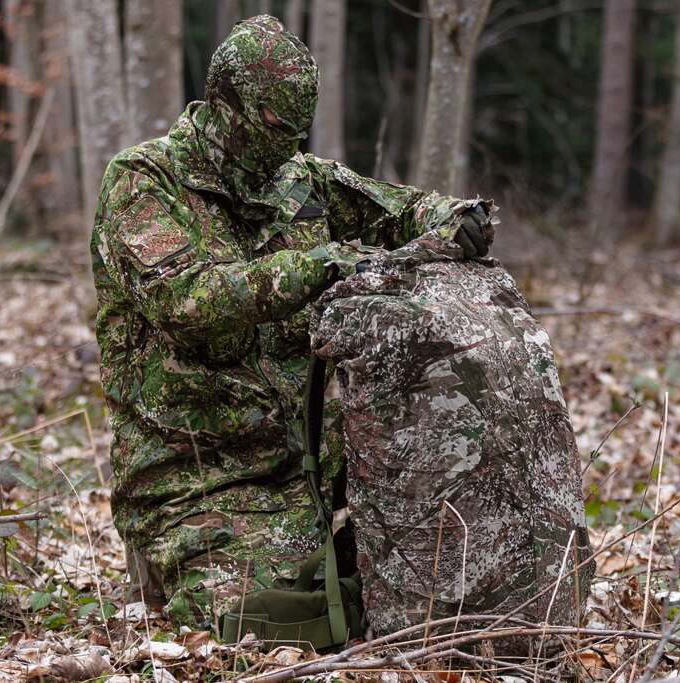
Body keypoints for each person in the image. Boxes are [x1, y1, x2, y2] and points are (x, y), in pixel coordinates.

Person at [90, 15, 494, 629]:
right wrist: (313, 267)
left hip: (314, 470)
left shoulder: (300, 182)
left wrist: (458, 217)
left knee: (442, 564)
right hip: (197, 478)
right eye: (274, 128)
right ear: (224, 103)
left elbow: (403, 208)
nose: (286, 145)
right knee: (260, 617)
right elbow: (187, 300)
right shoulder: (145, 182)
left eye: (297, 131)